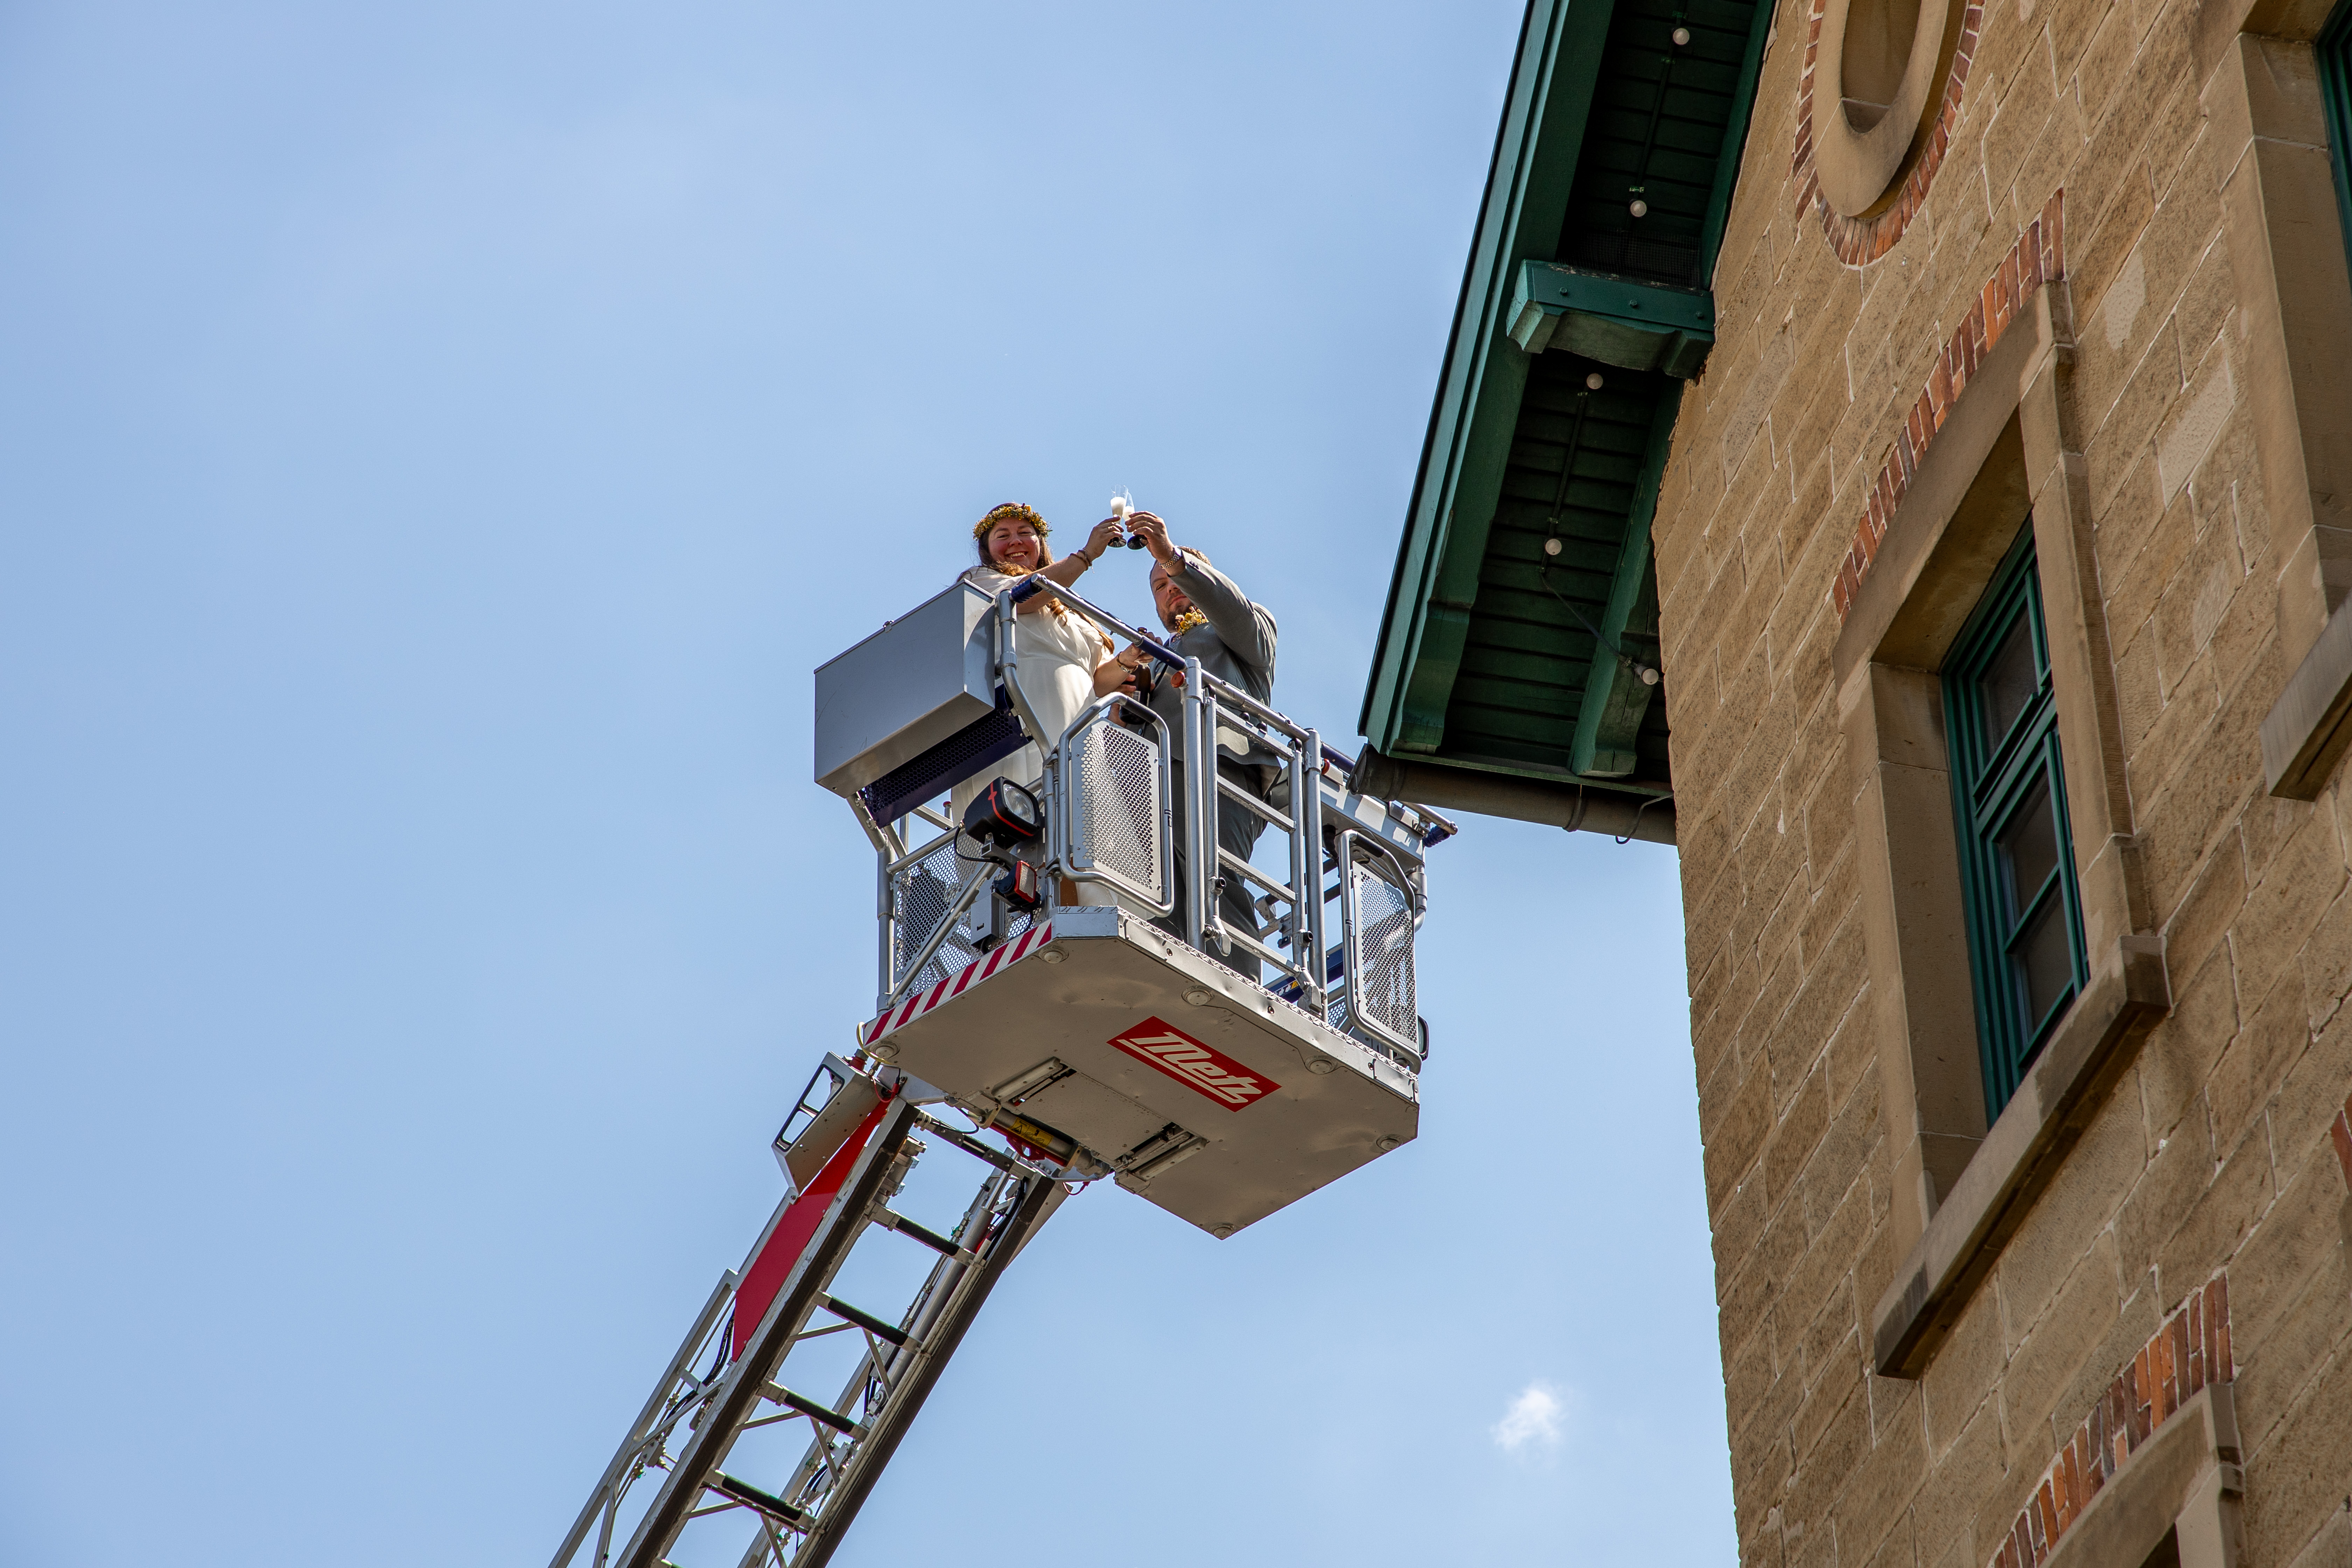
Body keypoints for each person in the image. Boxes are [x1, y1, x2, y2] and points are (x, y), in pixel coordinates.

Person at [1119, 510, 1279, 975]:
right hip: (1151, 781)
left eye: (1174, 578)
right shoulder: (1157, 657)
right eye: (1159, 586)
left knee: (1217, 883)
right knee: (1161, 896)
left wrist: (1173, 557)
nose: (1169, 589)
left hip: (1219, 769)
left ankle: (1240, 987)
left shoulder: (1245, 632)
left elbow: (1232, 608)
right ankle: (1173, 980)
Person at [950, 503, 1132, 905]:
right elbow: (1024, 600)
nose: (1015, 541)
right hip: (1019, 718)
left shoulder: (1072, 605)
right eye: (1003, 535)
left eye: (1024, 533)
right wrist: (1085, 556)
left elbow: (1097, 678)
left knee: (1086, 824)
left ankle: (1090, 904)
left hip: (1079, 723)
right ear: (987, 549)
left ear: (1040, 543)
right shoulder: (982, 581)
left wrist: (1128, 661)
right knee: (1030, 816)